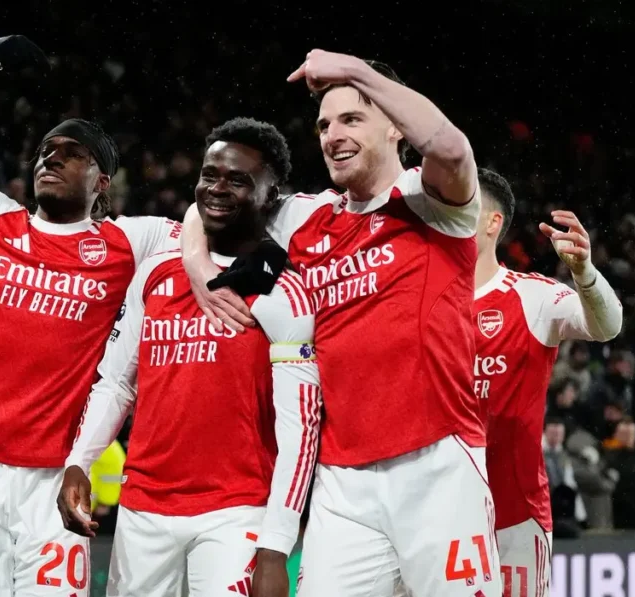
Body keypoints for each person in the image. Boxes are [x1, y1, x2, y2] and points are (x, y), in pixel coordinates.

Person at [0, 35, 239, 596]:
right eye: (45, 150)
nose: (50, 157)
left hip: (58, 477)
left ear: (102, 182)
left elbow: (208, 219)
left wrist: (195, 258)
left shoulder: (128, 241)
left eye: (71, 152)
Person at [182, 50, 496, 596]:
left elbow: (451, 148)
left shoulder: (431, 202)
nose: (332, 136)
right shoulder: (305, 217)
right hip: (342, 484)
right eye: (324, 125)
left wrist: (355, 70)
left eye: (352, 118)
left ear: (396, 126)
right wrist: (196, 263)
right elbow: (215, 202)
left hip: (439, 466)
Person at [59, 118, 320, 597]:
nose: (217, 188)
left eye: (238, 179)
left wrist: (276, 546)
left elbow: (299, 429)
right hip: (141, 510)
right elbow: (116, 383)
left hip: (237, 511)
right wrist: (80, 461)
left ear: (271, 194)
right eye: (209, 174)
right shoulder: (155, 273)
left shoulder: (283, 292)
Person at [472, 169, 622, 596]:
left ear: (492, 222)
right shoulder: (420, 299)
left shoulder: (532, 296)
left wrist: (585, 273)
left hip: (514, 515)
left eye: (461, 204)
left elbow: (607, 325)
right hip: (434, 510)